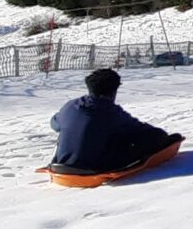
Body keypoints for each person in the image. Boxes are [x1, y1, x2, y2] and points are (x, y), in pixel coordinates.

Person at [49, 68, 181, 177]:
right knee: (149, 138)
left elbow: (55, 124)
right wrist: (163, 138)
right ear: (114, 91)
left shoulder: (70, 106)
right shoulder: (111, 112)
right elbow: (140, 130)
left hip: (61, 165)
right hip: (93, 167)